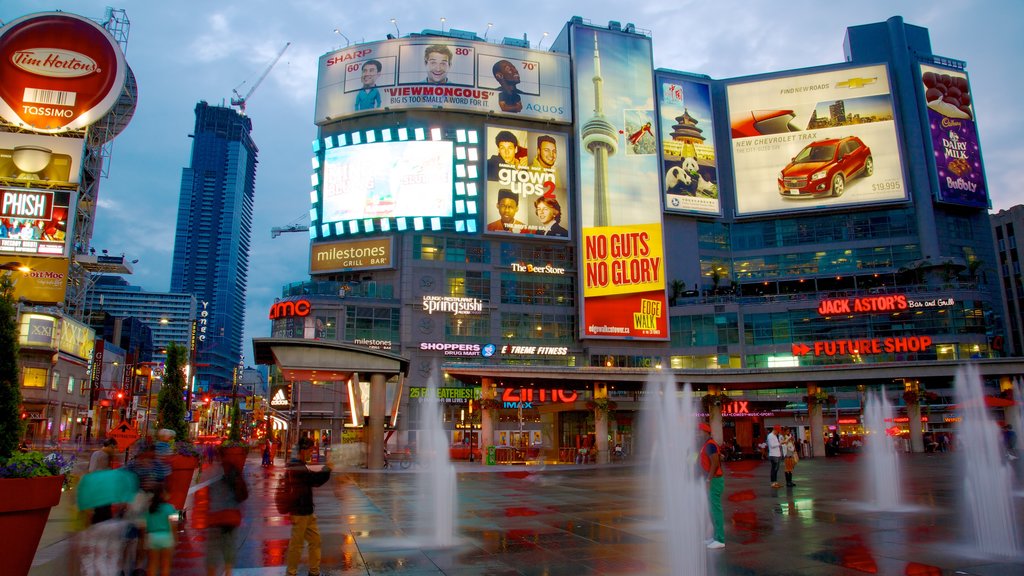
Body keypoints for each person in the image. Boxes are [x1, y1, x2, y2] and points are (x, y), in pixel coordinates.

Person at [285, 437, 333, 576]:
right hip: (299, 512)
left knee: (315, 541)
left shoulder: (299, 464)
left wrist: (326, 469)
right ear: (303, 450)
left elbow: (313, 480)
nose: (312, 452)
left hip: (307, 511)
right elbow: (314, 480)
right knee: (297, 545)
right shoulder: (296, 466)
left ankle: (314, 571)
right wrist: (327, 469)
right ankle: (291, 573)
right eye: (310, 449)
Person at [206, 452, 248, 576]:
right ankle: (228, 573)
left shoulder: (214, 472)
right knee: (229, 548)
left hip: (215, 517)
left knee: (213, 551)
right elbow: (243, 494)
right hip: (231, 516)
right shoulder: (235, 472)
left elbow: (209, 493)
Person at [699, 423, 725, 549]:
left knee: (715, 510)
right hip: (713, 479)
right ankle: (715, 537)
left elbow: (714, 463)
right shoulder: (708, 444)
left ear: (707, 433)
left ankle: (720, 539)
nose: (699, 434)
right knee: (712, 509)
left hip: (715, 480)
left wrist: (709, 479)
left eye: (701, 432)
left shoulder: (710, 445)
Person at [144, 490, 177, 576]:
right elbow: (175, 524)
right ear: (163, 495)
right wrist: (175, 538)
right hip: (166, 536)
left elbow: (144, 525)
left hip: (152, 537)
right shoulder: (170, 507)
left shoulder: (149, 508)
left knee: (152, 565)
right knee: (165, 565)